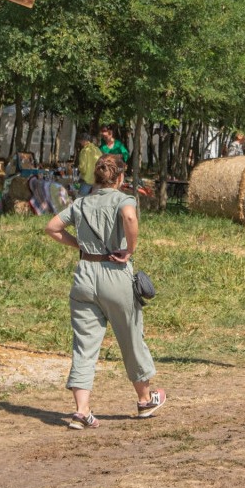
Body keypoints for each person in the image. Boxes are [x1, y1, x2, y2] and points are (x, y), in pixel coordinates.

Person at [46, 154, 165, 430]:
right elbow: (129, 217)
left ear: (96, 179)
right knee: (131, 336)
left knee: (84, 345)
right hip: (115, 272)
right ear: (120, 178)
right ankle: (145, 399)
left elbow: (52, 227)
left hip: (85, 274)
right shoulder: (124, 200)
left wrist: (80, 246)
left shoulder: (81, 203)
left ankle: (81, 410)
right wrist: (130, 250)